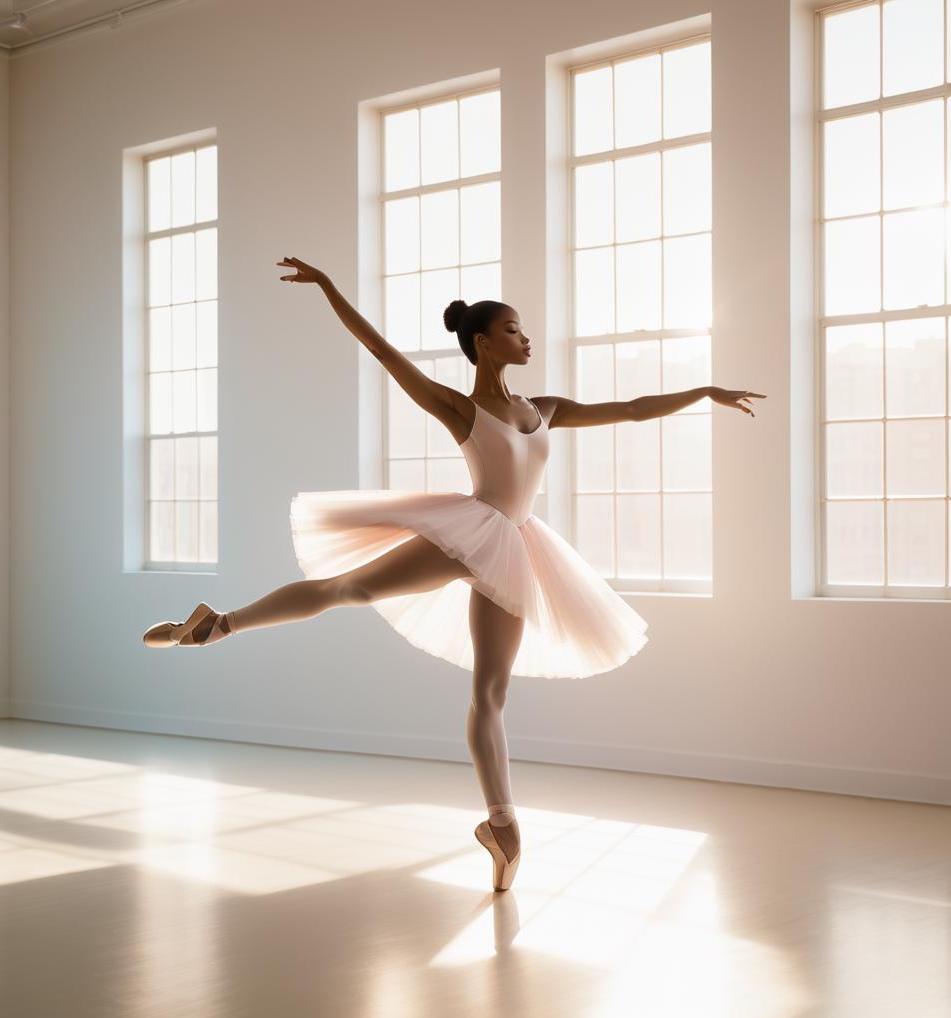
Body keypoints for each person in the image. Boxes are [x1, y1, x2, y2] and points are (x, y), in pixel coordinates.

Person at [143, 255, 766, 891]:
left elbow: (631, 409)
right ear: (483, 341)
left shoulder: (544, 408)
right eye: (515, 330)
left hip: (519, 548)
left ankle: (500, 822)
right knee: (346, 588)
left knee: (490, 692)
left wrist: (704, 393)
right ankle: (220, 623)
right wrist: (330, 288)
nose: (526, 339)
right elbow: (383, 353)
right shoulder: (459, 409)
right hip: (473, 531)